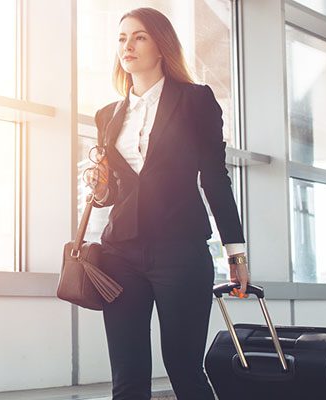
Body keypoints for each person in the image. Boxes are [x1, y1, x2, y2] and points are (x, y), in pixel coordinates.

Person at [84, 7, 250, 400]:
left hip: (181, 250)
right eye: (122, 38)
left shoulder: (195, 100)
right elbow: (114, 192)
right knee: (127, 377)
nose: (128, 46)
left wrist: (236, 253)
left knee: (185, 370)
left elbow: (214, 178)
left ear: (161, 44)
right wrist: (100, 183)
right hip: (119, 253)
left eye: (139, 37)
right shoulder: (107, 115)